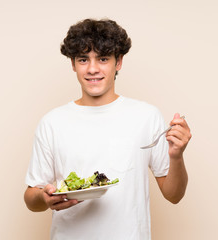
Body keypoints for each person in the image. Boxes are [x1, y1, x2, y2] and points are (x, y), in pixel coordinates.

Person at [24, 18, 191, 240]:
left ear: (118, 62)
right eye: (83, 59)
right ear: (73, 64)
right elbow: (30, 199)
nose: (93, 69)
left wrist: (177, 156)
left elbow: (174, 195)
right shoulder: (52, 122)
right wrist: (44, 199)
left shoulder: (146, 116)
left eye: (103, 59)